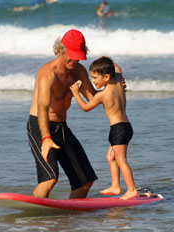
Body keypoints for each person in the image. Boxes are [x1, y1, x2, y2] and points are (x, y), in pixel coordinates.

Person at [27, 29, 98, 199]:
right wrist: (46, 139)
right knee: (49, 178)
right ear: (60, 50)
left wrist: (114, 88)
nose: (75, 59)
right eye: (71, 54)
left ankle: (71, 217)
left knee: (85, 181)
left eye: (78, 55)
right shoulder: (48, 73)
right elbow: (42, 107)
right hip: (40, 126)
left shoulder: (78, 70)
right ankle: (33, 217)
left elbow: (93, 98)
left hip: (62, 127)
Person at [70, 56, 137, 200]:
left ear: (106, 76)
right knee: (110, 157)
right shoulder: (118, 80)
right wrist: (106, 62)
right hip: (125, 127)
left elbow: (86, 108)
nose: (93, 81)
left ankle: (131, 189)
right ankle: (115, 186)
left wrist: (76, 93)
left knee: (121, 160)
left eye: (95, 77)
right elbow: (117, 68)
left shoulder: (103, 94)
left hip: (118, 130)